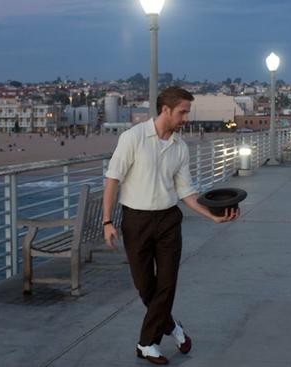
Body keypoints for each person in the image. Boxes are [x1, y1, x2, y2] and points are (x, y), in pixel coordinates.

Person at [102, 87, 240, 365]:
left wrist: (211, 216)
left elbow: (185, 191)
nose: (186, 118)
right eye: (182, 112)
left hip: (167, 220)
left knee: (166, 284)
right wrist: (107, 221)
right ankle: (173, 328)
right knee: (145, 287)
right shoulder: (133, 138)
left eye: (187, 112)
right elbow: (112, 180)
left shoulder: (180, 147)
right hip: (136, 221)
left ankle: (146, 344)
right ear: (165, 109)